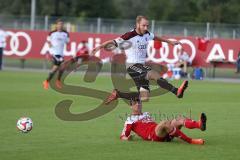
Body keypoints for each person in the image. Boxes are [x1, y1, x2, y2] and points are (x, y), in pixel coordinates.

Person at [91, 15, 188, 104]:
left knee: (144, 97)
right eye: (143, 25)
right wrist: (98, 47)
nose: (146, 28)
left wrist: (169, 42)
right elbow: (113, 42)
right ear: (137, 24)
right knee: (153, 73)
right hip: (132, 66)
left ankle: (118, 94)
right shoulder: (129, 35)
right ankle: (176, 91)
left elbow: (156, 37)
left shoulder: (147, 34)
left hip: (141, 66)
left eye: (147, 26)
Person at [120, 98, 207, 145]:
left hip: (161, 132)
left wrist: (171, 123)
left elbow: (153, 125)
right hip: (153, 136)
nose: (138, 104)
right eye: (135, 103)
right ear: (131, 106)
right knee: (164, 122)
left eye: (139, 102)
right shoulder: (130, 120)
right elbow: (123, 135)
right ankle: (191, 141)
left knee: (179, 118)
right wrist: (126, 138)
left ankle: (199, 125)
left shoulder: (146, 114)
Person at [42, 19, 69, 89]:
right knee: (61, 66)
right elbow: (48, 41)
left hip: (61, 54)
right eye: (59, 24)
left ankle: (47, 81)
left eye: (61, 24)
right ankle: (56, 81)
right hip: (54, 53)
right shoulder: (52, 33)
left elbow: (67, 42)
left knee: (57, 69)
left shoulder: (65, 33)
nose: (60, 25)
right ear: (56, 25)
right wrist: (50, 44)